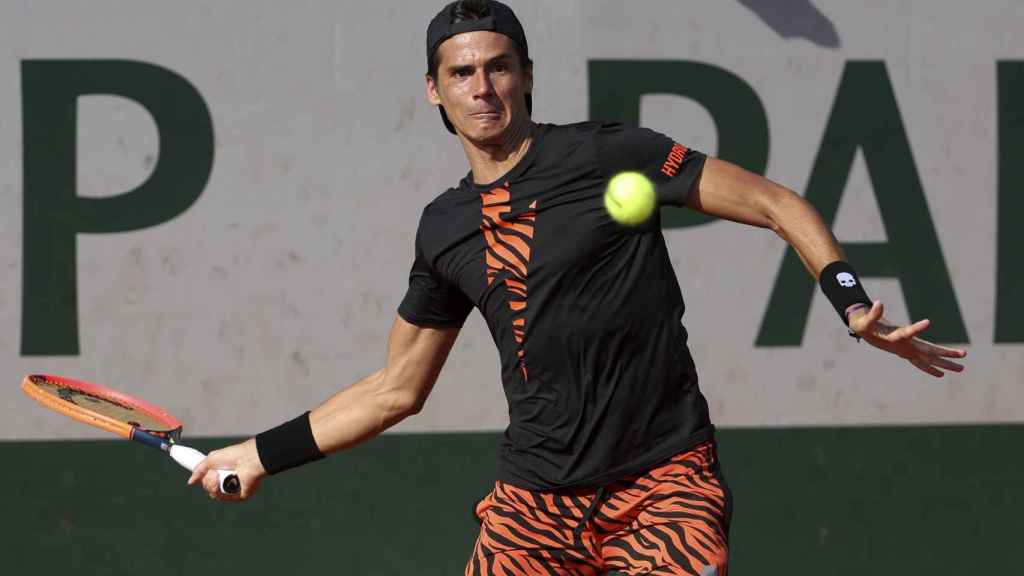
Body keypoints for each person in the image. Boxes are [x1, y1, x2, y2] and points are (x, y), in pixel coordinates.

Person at [189, 1, 967, 574]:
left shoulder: (611, 155)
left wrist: (851, 301)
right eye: (462, 72)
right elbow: (396, 389)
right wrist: (259, 453)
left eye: (498, 67)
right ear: (435, 90)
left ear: (526, 76)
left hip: (664, 483)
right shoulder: (446, 228)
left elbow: (774, 203)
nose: (482, 87)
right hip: (533, 502)